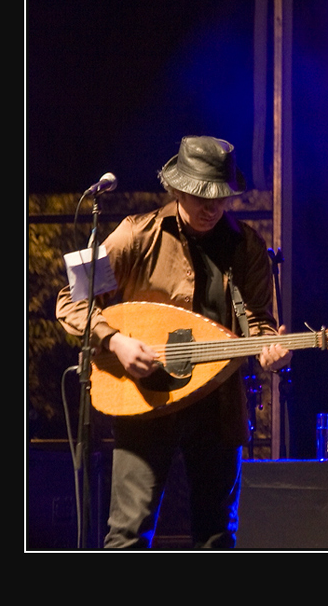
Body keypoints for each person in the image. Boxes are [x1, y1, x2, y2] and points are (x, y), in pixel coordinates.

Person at [56, 136, 291, 548]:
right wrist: (116, 342)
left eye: (219, 196)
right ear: (178, 188)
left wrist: (270, 350)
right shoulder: (136, 235)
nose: (210, 207)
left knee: (217, 535)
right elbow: (70, 302)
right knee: (128, 533)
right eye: (200, 195)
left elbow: (257, 322)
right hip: (145, 400)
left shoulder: (247, 246)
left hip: (217, 404)